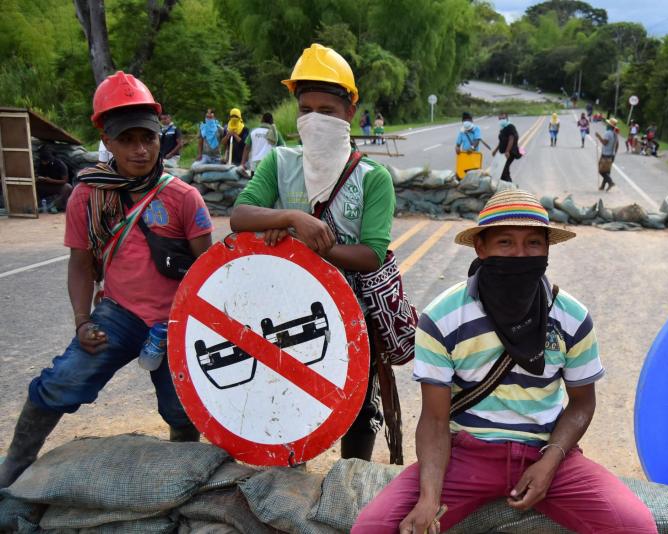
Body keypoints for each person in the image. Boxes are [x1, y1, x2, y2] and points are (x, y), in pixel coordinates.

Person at [352, 189, 658, 534]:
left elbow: (582, 405)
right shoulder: (442, 318)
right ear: (480, 248)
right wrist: (428, 499)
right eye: (505, 243)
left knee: (637, 526)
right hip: (465, 456)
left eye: (533, 244)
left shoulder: (572, 317)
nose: (520, 254)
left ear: (547, 250)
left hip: (549, 454)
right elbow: (435, 421)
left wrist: (550, 461)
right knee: (374, 527)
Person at [0, 71, 213, 489]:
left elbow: (208, 269)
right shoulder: (88, 194)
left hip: (175, 322)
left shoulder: (183, 197)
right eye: (127, 139)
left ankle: (179, 481)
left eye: (148, 138)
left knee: (181, 409)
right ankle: (15, 466)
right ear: (108, 141)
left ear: (159, 138)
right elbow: (81, 265)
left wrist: (190, 329)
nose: (140, 149)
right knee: (58, 383)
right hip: (117, 314)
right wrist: (83, 321)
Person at [230, 43, 397, 462]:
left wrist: (305, 244)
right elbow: (240, 216)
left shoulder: (372, 178)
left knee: (356, 405)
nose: (315, 119)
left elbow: (372, 254)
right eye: (306, 109)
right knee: (285, 395)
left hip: (349, 313)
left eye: (328, 109)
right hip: (283, 311)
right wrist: (290, 217)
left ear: (350, 114)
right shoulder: (280, 163)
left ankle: (350, 481)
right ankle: (287, 479)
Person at [34, 147, 73, 212]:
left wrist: (51, 180)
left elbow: (65, 181)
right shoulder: (40, 164)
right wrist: (39, 178)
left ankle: (54, 206)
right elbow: (38, 174)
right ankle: (38, 205)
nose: (44, 162)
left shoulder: (60, 164)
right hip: (46, 185)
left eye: (45, 161)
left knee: (68, 187)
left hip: (57, 186)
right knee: (34, 186)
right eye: (42, 161)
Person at [492, 113, 520, 183]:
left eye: (503, 118)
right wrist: (495, 150)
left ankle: (510, 187)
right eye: (500, 119)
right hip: (504, 153)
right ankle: (505, 186)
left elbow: (511, 139)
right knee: (502, 170)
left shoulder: (510, 127)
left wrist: (507, 151)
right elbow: (501, 141)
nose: (501, 120)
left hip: (510, 152)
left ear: (507, 118)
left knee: (504, 169)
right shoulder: (503, 129)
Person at [595, 118, 620, 191]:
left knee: (601, 170)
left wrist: (598, 136)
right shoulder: (615, 133)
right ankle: (603, 186)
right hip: (611, 155)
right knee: (607, 171)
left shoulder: (608, 133)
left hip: (606, 154)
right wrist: (614, 153)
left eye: (608, 124)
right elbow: (617, 144)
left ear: (610, 125)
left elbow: (604, 143)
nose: (607, 125)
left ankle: (610, 182)